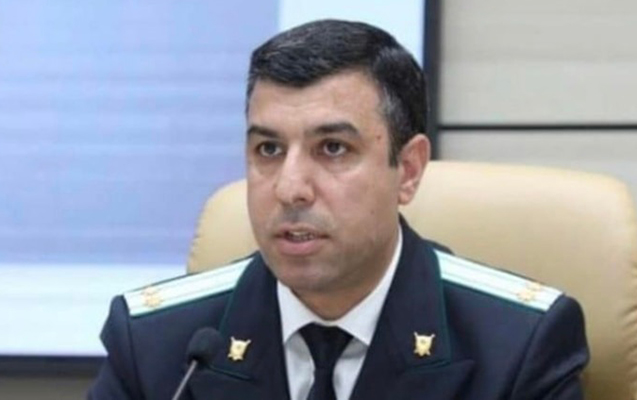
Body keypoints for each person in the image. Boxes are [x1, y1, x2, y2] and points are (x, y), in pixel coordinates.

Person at [88, 19, 588, 400]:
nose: (290, 189)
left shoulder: (518, 345)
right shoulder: (155, 343)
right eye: (268, 149)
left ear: (408, 170)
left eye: (332, 149)